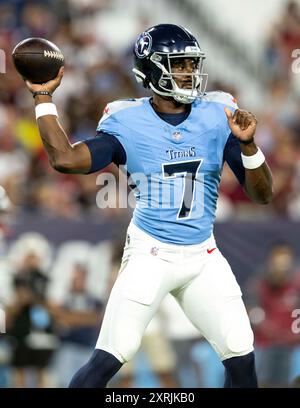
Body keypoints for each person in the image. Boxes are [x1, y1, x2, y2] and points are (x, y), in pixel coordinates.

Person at [24, 24, 273, 388]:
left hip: (203, 254)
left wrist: (249, 147)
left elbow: (263, 194)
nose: (189, 73)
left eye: (191, 64)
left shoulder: (219, 111)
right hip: (151, 253)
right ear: (152, 70)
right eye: (179, 64)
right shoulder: (128, 121)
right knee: (110, 356)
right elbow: (65, 159)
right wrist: (43, 97)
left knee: (241, 355)